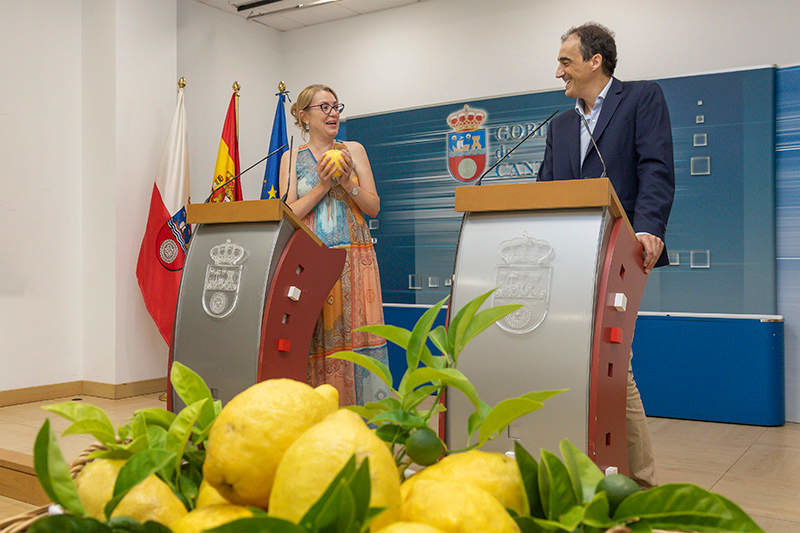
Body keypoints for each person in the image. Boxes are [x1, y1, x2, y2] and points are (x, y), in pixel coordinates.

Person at [538, 23, 675, 488]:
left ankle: (640, 482)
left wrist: (650, 229)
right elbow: (544, 191)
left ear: (595, 61)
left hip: (620, 254)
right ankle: (586, 473)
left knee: (614, 365)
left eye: (565, 61)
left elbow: (655, 168)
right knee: (582, 365)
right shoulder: (559, 124)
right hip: (567, 259)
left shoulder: (640, 99)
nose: (558, 71)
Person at [279, 84, 390, 407]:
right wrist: (324, 186)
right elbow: (290, 214)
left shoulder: (354, 150)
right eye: (323, 108)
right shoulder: (292, 157)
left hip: (356, 259)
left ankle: (366, 418)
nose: (332, 114)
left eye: (336, 107)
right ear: (303, 116)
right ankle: (321, 413)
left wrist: (346, 181)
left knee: (359, 335)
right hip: (313, 260)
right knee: (316, 337)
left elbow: (373, 207)